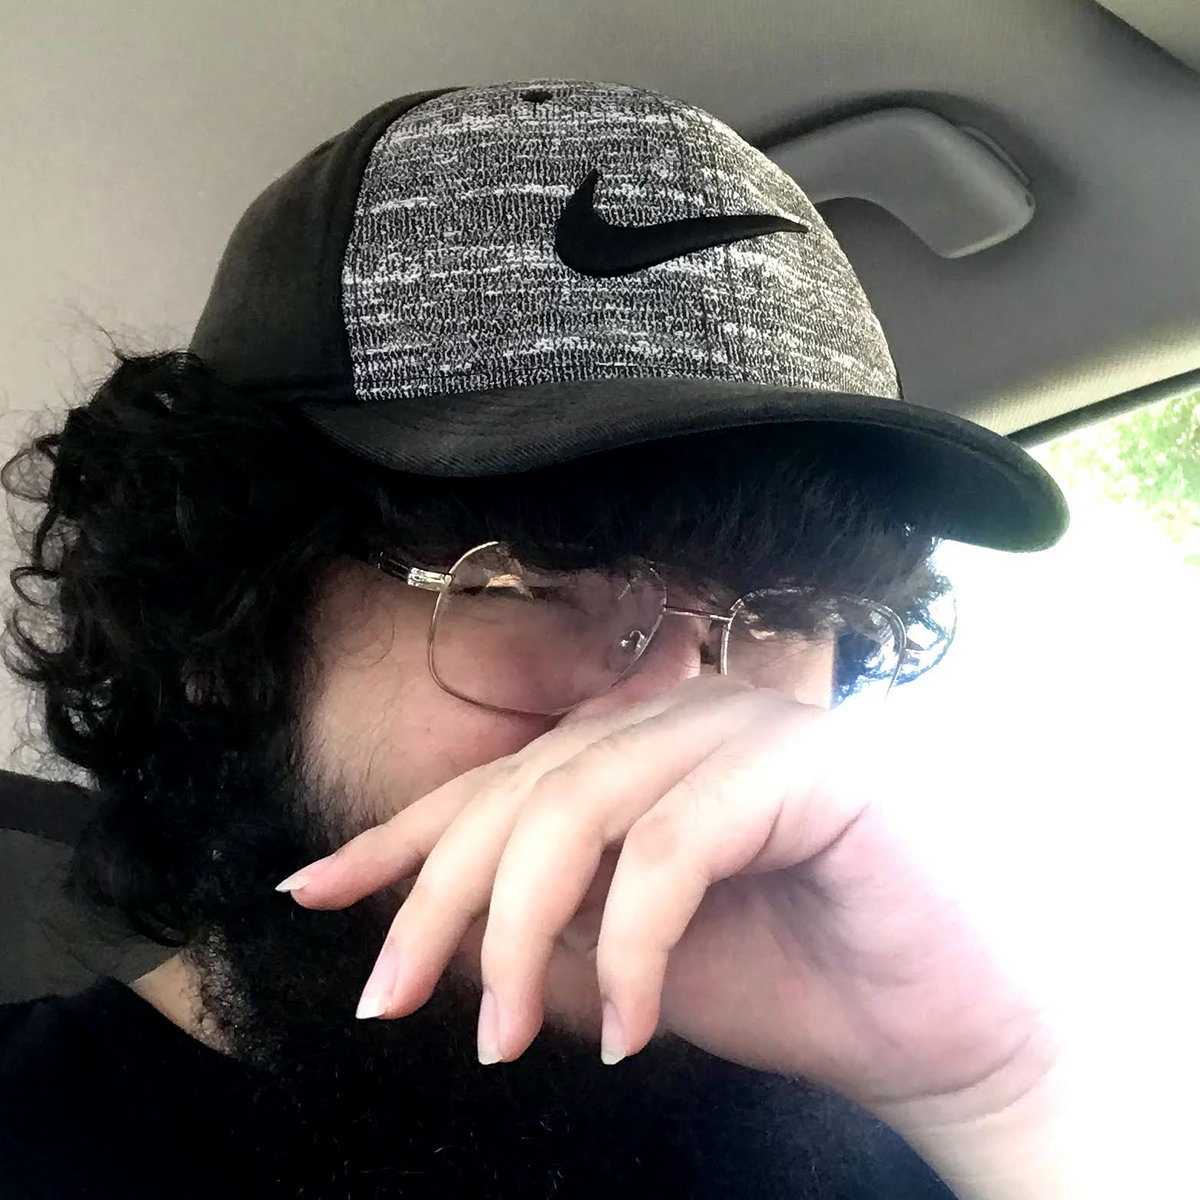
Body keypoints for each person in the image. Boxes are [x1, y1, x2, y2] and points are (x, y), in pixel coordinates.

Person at [0, 78, 1087, 1199]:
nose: (681, 718)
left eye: (788, 618)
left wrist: (1003, 1097)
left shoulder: (930, 1135)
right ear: (223, 639)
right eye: (536, 586)